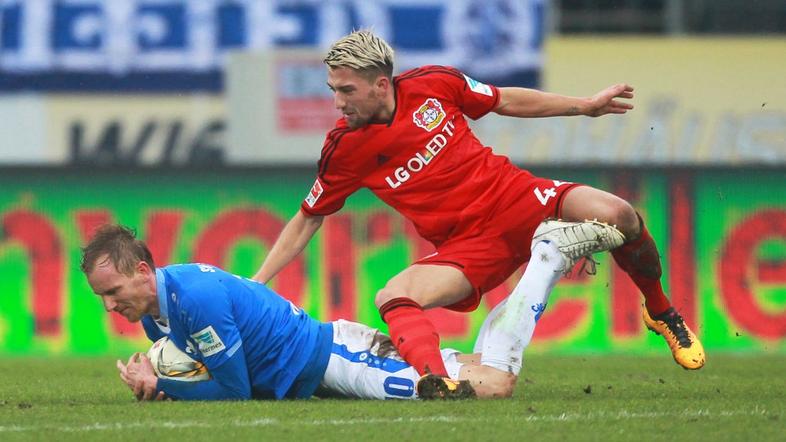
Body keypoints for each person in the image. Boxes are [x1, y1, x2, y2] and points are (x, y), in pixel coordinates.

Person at [251, 30, 705, 378]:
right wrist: (258, 283)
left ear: (381, 85)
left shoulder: (435, 84)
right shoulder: (345, 148)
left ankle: (660, 311)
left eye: (346, 90)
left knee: (620, 215)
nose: (337, 102)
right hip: (467, 247)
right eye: (333, 89)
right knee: (393, 296)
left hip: (516, 198)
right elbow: (308, 218)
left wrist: (584, 106)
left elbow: (504, 100)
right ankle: (436, 382)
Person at [81, 223, 597, 401]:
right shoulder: (156, 311)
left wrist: (163, 384)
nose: (109, 305)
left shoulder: (195, 299)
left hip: (336, 359)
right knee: (479, 369)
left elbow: (235, 391)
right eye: (101, 296)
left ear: (143, 270)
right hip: (324, 358)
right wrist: (168, 383)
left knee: (492, 386)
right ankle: (546, 255)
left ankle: (546, 258)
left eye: (114, 290)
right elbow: (217, 373)